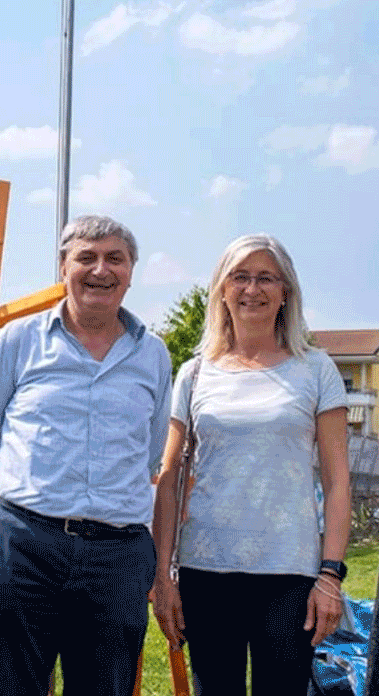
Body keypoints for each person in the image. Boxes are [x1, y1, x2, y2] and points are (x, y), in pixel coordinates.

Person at [0, 215, 172, 696]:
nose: (101, 269)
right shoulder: (17, 340)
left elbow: (152, 452)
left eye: (115, 258)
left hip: (115, 557)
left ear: (131, 271)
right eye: (87, 257)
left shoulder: (154, 355)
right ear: (63, 266)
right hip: (21, 544)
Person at [152, 234, 351, 696]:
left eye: (266, 278)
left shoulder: (315, 368)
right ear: (222, 289)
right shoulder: (196, 371)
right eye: (239, 276)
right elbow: (169, 479)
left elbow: (339, 482)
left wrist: (330, 576)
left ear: (286, 293)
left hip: (290, 576)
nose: (252, 289)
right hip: (205, 572)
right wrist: (164, 576)